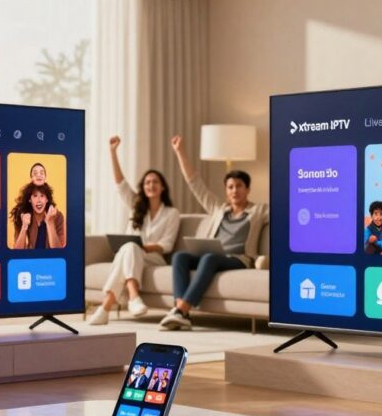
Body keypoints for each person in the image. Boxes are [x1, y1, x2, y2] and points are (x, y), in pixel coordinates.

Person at [160, 135, 269, 330]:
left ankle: (181, 310)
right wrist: (180, 152)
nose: (235, 191)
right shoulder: (219, 208)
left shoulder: (259, 211)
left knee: (209, 258)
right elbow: (195, 184)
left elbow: (286, 212)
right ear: (226, 191)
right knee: (180, 256)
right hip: (214, 256)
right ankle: (180, 310)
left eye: (239, 186)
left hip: (239, 259)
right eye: (230, 187)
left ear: (248, 189)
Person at [89, 135, 181, 326]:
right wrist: (112, 152)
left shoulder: (172, 213)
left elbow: (167, 245)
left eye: (155, 182)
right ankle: (129, 298)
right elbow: (120, 184)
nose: (151, 185)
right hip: (131, 254)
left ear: (162, 187)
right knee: (129, 248)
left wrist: (145, 248)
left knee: (129, 248)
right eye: (147, 182)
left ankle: (107, 307)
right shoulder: (135, 206)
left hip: (153, 257)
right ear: (143, 187)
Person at [10, 182, 67, 249]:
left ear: (47, 199)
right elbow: (17, 253)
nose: (39, 200)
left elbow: (59, 252)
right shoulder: (22, 216)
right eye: (35, 196)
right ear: (30, 199)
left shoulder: (58, 216)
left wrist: (50, 223)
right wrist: (24, 227)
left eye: (42, 196)